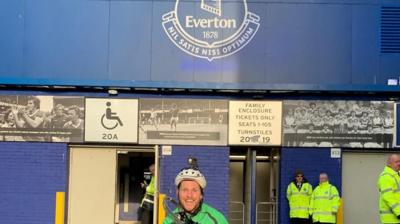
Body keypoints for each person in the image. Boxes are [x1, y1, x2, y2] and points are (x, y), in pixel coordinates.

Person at [163, 158, 228, 224]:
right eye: (185, 190)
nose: (189, 195)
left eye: (194, 190)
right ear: (177, 192)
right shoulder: (169, 220)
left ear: (201, 195)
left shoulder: (217, 219)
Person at [377, 154, 400, 223]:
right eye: (396, 162)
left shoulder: (397, 175)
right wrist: (399, 212)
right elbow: (388, 197)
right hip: (391, 219)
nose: (399, 163)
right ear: (389, 164)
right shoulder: (386, 177)